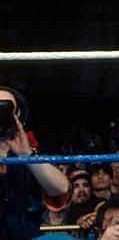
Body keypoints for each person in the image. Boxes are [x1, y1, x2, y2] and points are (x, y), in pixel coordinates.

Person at [0, 86, 70, 240]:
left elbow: (61, 189)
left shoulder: (30, 156)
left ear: (17, 115)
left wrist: (27, 156)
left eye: (6, 109)